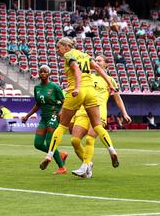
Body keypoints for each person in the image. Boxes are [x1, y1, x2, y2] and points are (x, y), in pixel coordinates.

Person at [39, 37, 119, 171]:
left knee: (62, 125)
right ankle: (112, 150)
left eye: (58, 47)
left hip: (78, 91)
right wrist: (110, 84)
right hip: (90, 92)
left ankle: (49, 155)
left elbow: (76, 68)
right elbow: (98, 68)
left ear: (65, 47)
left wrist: (76, 87)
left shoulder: (69, 55)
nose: (57, 51)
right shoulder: (85, 55)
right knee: (97, 125)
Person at [69, 55, 131, 179]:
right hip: (83, 111)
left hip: (98, 110)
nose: (96, 62)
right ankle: (88, 164)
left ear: (105, 64)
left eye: (99, 61)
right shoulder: (87, 77)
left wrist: (124, 113)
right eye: (95, 60)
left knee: (89, 139)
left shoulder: (109, 80)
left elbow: (118, 99)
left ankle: (84, 167)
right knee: (74, 141)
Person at [22, 65, 68, 175]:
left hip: (53, 115)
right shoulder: (37, 88)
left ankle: (62, 167)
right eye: (41, 71)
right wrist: (27, 116)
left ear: (49, 74)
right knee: (37, 144)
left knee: (49, 142)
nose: (42, 73)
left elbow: (64, 101)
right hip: (43, 117)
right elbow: (38, 104)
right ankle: (60, 154)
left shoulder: (54, 87)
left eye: (45, 72)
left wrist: (61, 112)